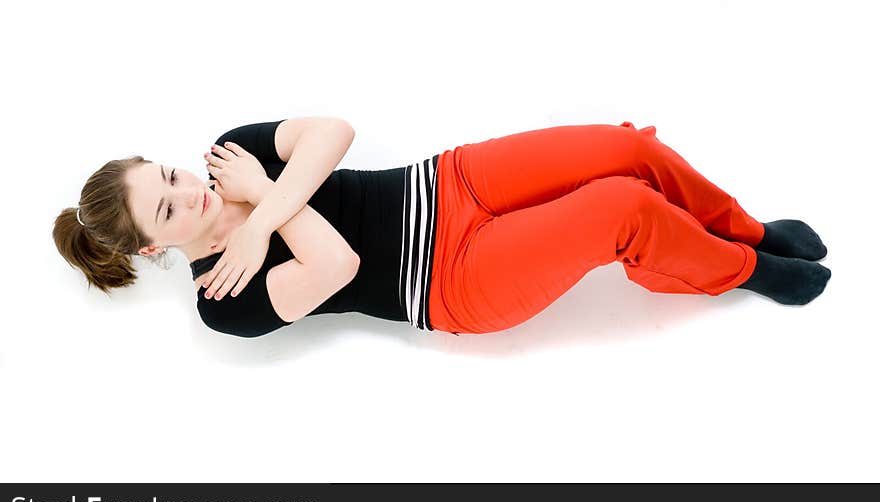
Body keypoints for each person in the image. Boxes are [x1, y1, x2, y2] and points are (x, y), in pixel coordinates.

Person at [53, 119, 830, 338]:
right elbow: (339, 262)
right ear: (154, 246)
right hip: (452, 279)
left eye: (168, 174)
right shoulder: (222, 301)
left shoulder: (234, 162)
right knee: (621, 207)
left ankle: (745, 229)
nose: (187, 191)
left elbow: (333, 134)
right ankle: (741, 268)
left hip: (448, 180)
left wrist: (261, 206)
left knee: (627, 150)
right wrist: (258, 224)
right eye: (166, 206)